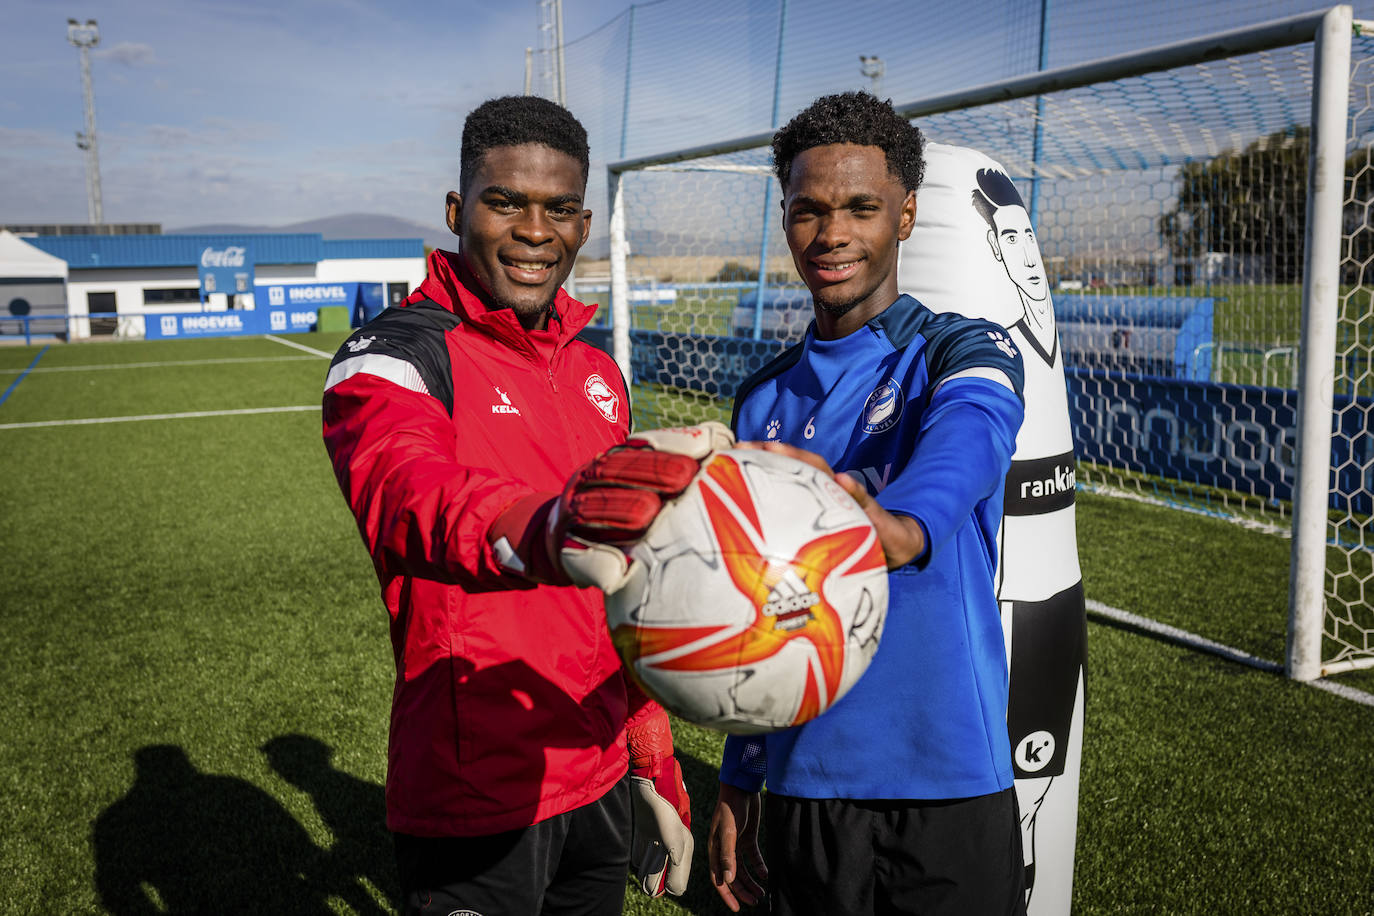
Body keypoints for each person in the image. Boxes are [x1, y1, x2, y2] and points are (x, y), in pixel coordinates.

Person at [322, 95, 722, 916]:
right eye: (505, 202)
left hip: (599, 770)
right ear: (456, 210)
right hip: (477, 793)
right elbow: (409, 493)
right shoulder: (393, 357)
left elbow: (621, 589)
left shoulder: (596, 373)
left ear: (582, 224)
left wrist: (650, 756)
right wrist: (555, 523)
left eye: (559, 209)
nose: (535, 231)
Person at [707, 91, 1029, 916]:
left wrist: (895, 525)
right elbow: (756, 613)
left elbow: (971, 438)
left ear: (907, 214)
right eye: (808, 210)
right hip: (807, 780)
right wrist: (741, 780)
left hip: (949, 780)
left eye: (861, 207)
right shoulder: (760, 401)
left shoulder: (964, 348)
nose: (834, 234)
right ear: (785, 220)